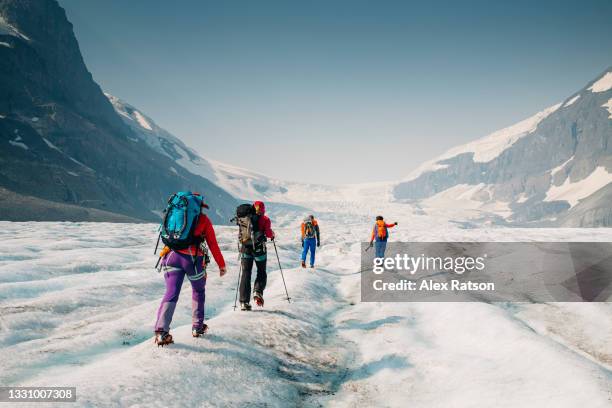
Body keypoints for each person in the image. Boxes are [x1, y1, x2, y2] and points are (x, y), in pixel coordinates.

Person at [154, 203, 227, 346]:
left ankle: (161, 331)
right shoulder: (203, 219)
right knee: (198, 291)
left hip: (170, 256)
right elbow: (212, 244)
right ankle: (197, 327)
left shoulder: (173, 214)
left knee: (171, 292)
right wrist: (221, 264)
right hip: (192, 260)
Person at [239, 200, 274, 310]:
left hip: (245, 248)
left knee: (246, 273)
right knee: (261, 270)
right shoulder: (265, 219)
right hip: (259, 249)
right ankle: (257, 292)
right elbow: (268, 234)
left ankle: (244, 302)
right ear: (263, 209)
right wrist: (272, 234)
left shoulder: (245, 218)